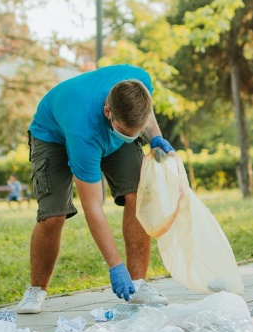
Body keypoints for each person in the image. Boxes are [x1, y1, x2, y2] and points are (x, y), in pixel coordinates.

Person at [16, 64, 177, 314]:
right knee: (53, 215)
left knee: (139, 195)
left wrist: (153, 135)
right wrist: (115, 266)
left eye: (136, 132)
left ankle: (138, 285)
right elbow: (93, 206)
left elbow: (145, 114)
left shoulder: (141, 81)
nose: (131, 136)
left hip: (104, 123)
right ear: (107, 111)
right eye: (126, 131)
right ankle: (36, 290)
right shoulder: (84, 133)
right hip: (53, 135)